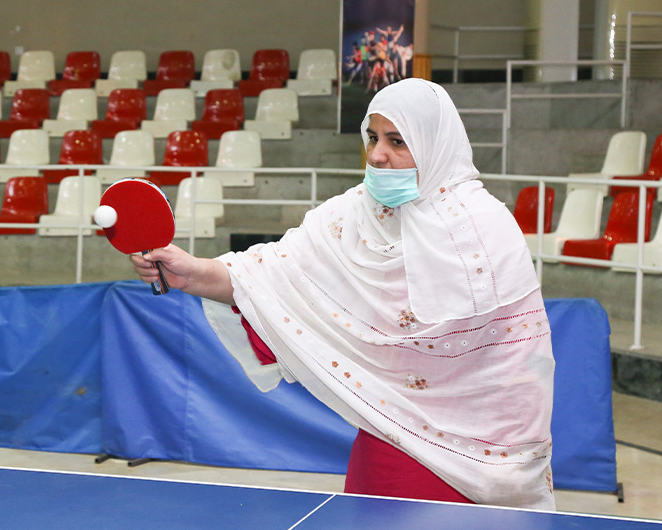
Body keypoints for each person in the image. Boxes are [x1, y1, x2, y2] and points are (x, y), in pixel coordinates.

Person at [130, 78, 555, 510]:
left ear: (435, 144)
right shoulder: (348, 216)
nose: (377, 154)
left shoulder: (486, 229)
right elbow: (263, 275)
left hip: (488, 461)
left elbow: (520, 365)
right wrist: (191, 272)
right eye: (372, 137)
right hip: (389, 438)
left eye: (397, 141)